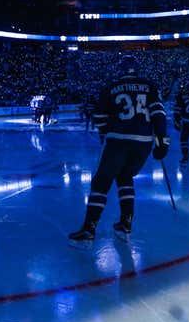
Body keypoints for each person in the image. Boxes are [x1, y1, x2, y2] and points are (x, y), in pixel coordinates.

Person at [69, 55, 169, 246]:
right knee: (125, 177)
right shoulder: (150, 86)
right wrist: (162, 141)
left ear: (120, 69)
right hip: (143, 143)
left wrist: (106, 132)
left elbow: (99, 116)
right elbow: (159, 114)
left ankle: (89, 229)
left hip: (118, 140)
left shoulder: (111, 87)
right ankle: (125, 224)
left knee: (101, 182)